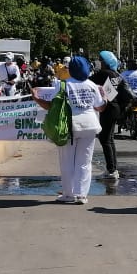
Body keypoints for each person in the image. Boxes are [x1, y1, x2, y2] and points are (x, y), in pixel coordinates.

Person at [32, 56, 105, 204]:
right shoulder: (92, 85)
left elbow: (51, 106)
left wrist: (36, 98)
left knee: (67, 161)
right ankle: (81, 195)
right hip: (90, 126)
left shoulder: (63, 85)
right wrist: (105, 98)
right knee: (85, 162)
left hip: (69, 126)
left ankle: (69, 194)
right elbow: (100, 107)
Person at [90, 50, 126, 179]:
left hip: (108, 108)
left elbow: (88, 83)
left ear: (105, 62)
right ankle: (112, 169)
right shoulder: (116, 74)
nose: (98, 62)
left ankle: (111, 170)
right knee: (109, 139)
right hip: (115, 109)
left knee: (105, 139)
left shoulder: (102, 74)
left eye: (100, 59)